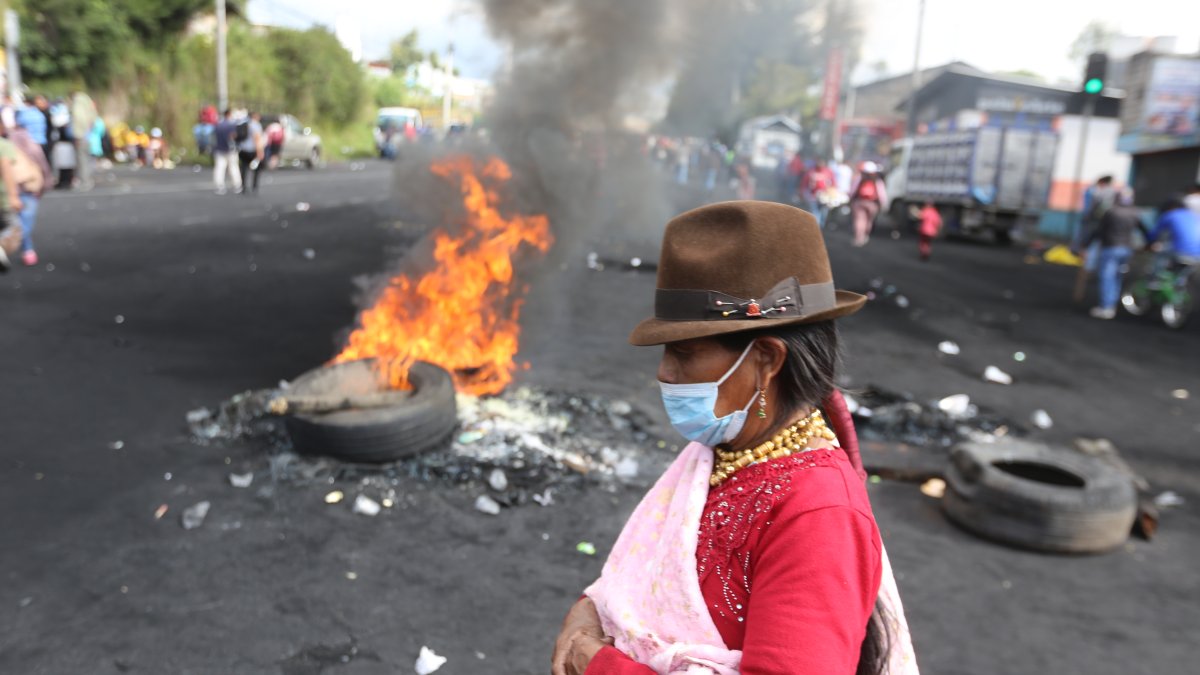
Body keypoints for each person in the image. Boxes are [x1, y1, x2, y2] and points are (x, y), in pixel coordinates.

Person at [551, 201, 918, 675]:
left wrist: (598, 663)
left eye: (684, 353)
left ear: (766, 359)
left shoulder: (819, 513)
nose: (665, 372)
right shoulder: (725, 452)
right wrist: (588, 608)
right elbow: (638, 580)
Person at [1075, 189, 1147, 319]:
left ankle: (1106, 307)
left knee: (1107, 277)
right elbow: (1144, 229)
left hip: (1110, 248)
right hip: (1127, 249)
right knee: (1117, 277)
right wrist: (1150, 243)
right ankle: (1112, 304)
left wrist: (1085, 244)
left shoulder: (1111, 212)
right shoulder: (1135, 212)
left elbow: (1098, 230)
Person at [849, 161, 889, 247]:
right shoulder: (877, 181)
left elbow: (852, 190)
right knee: (869, 221)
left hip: (859, 202)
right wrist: (883, 204)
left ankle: (858, 238)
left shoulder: (859, 178)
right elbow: (882, 193)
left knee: (859, 220)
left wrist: (850, 199)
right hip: (873, 204)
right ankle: (865, 235)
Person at [70, 90, 98, 190]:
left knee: (82, 161)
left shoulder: (78, 104)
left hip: (81, 137)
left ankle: (84, 182)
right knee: (87, 159)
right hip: (88, 136)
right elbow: (93, 120)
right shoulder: (88, 104)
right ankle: (88, 180)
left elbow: (78, 120)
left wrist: (78, 135)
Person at [212, 109, 242, 195]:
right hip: (230, 149)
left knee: (219, 168)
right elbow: (234, 136)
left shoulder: (218, 125)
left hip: (219, 149)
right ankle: (237, 185)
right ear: (229, 114)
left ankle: (219, 186)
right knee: (233, 167)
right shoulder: (232, 125)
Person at [237, 111, 265, 194]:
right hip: (252, 150)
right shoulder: (256, 125)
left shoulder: (244, 124)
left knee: (244, 168)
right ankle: (254, 186)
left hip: (243, 149)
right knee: (256, 169)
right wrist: (260, 151)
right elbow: (257, 138)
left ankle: (243, 186)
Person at [803, 158, 835, 227]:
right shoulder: (811, 172)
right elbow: (805, 183)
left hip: (825, 196)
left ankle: (820, 227)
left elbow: (833, 183)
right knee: (815, 212)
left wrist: (832, 193)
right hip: (813, 196)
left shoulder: (828, 172)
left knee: (824, 212)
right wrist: (803, 192)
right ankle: (816, 227)